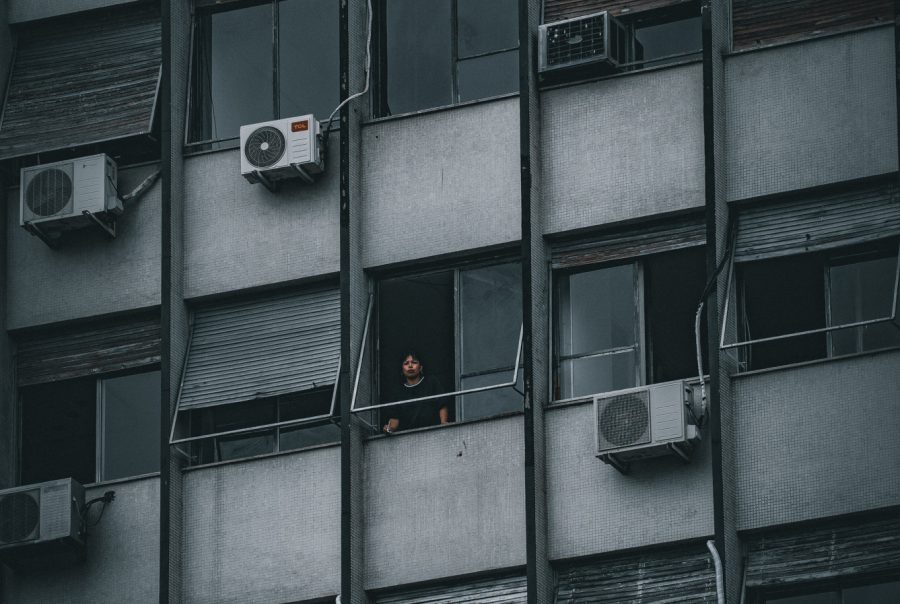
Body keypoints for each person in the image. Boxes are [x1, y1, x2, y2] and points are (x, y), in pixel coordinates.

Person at [382, 350, 451, 433]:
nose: (410, 366)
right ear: (402, 369)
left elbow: (442, 404)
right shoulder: (398, 391)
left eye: (414, 362)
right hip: (408, 435)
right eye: (406, 363)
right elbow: (394, 418)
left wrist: (443, 423)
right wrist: (389, 428)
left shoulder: (431, 382)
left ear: (420, 367)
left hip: (432, 432)